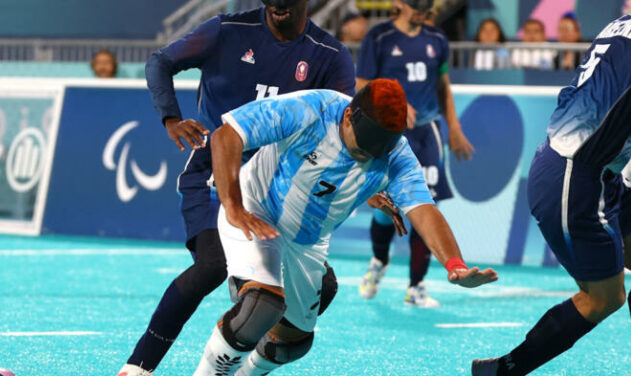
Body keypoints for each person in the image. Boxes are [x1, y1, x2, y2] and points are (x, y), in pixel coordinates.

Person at [472, 0, 631, 375]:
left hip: (583, 172)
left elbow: (616, 116)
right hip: (577, 178)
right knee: (604, 297)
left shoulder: (619, 27)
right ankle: (504, 370)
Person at [118, 0, 355, 374]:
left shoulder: (329, 56)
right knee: (212, 263)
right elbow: (160, 61)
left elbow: (343, 130)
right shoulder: (227, 30)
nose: (277, 7)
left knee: (322, 289)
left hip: (277, 192)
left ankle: (250, 364)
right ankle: (137, 368)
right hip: (213, 177)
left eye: (288, 1)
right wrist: (171, 118)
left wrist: (368, 185)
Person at [194, 80, 498, 375]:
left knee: (292, 342)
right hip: (257, 211)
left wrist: (455, 264)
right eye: (363, 147)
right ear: (350, 116)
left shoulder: (397, 156)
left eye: (376, 152)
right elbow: (227, 135)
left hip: (307, 242)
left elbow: (424, 210)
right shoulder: (310, 109)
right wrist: (233, 206)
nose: (366, 156)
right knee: (261, 308)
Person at [354, 0, 475, 308]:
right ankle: (379, 261)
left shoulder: (437, 38)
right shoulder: (378, 37)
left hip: (427, 133)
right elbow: (362, 84)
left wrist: (454, 126)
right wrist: (393, 102)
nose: (422, 11)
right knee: (385, 207)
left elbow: (443, 85)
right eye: (416, 4)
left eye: (426, 5)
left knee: (426, 205)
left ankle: (416, 286)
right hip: (388, 134)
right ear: (398, 1)